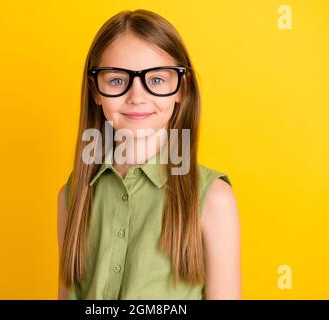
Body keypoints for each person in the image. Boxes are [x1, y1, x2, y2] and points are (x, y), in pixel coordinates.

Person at [58, 9, 240, 300]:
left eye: (156, 80)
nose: (137, 96)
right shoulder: (73, 195)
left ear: (181, 88)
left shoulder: (213, 199)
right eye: (117, 80)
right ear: (95, 91)